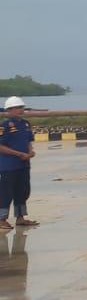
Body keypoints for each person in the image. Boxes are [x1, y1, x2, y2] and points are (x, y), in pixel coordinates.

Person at [0, 96, 37, 229]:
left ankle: (20, 217)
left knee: (23, 191)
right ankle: (2, 219)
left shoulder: (26, 124)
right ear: (9, 110)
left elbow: (28, 141)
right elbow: (1, 146)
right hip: (8, 166)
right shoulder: (4, 125)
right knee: (6, 193)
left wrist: (30, 152)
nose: (21, 110)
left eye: (21, 107)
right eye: (17, 108)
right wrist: (18, 154)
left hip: (23, 165)